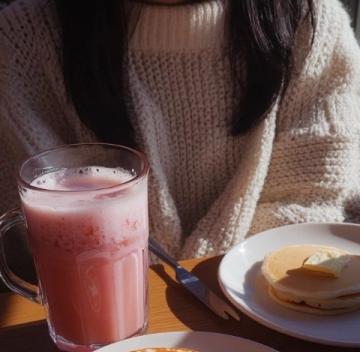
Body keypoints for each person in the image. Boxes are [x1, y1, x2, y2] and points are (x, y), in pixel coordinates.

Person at [0, 0, 359, 261]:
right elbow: (31, 230)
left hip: (260, 309)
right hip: (94, 328)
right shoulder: (22, 39)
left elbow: (311, 200)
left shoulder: (312, 23)